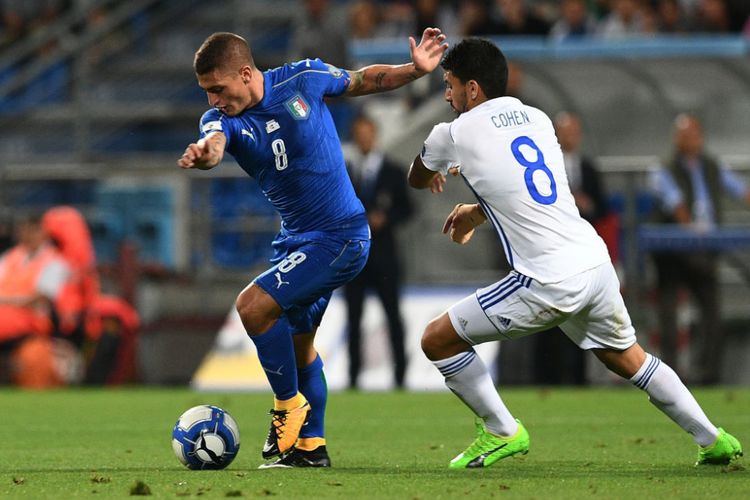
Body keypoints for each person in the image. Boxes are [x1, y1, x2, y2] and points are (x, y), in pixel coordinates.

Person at [407, 38, 742, 469]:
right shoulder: (539, 119)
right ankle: (713, 439)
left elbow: (418, 178)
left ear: (473, 89)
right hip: (594, 263)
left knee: (437, 339)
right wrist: (477, 210)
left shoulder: (451, 132)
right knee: (629, 358)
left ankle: (501, 430)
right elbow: (529, 193)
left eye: (450, 85)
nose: (446, 95)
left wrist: (435, 169)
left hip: (546, 279)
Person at [178, 29, 447, 468]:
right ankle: (311, 447)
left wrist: (414, 70)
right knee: (301, 347)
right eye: (206, 92)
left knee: (253, 306)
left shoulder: (303, 78)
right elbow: (214, 145)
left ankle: (288, 405)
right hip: (297, 242)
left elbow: (364, 80)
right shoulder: (223, 121)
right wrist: (206, 155)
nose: (213, 101)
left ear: (246, 73)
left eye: (218, 89)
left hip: (342, 235)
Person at [649, 113, 750, 385]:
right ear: (676, 139)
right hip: (673, 253)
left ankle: (709, 373)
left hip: (704, 251)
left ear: (701, 137)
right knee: (668, 313)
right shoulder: (663, 169)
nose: (690, 141)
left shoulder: (712, 166)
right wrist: (692, 231)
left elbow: (741, 190)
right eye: (684, 136)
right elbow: (676, 205)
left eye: (694, 135)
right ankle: (667, 378)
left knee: (712, 313)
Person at [343, 115, 413, 390]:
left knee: (393, 317)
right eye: (359, 134)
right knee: (353, 319)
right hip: (355, 260)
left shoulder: (393, 172)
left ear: (376, 136)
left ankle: (400, 375)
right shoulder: (345, 173)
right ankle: (352, 377)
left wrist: (387, 218)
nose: (364, 139)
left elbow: (408, 209)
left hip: (384, 256)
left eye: (368, 134)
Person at [0, 213, 70, 388]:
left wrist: (8, 302)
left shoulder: (55, 262)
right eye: (24, 230)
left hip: (31, 326)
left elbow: (41, 297)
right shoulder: (9, 258)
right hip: (5, 321)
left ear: (44, 233)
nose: (28, 235)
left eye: (33, 230)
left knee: (34, 360)